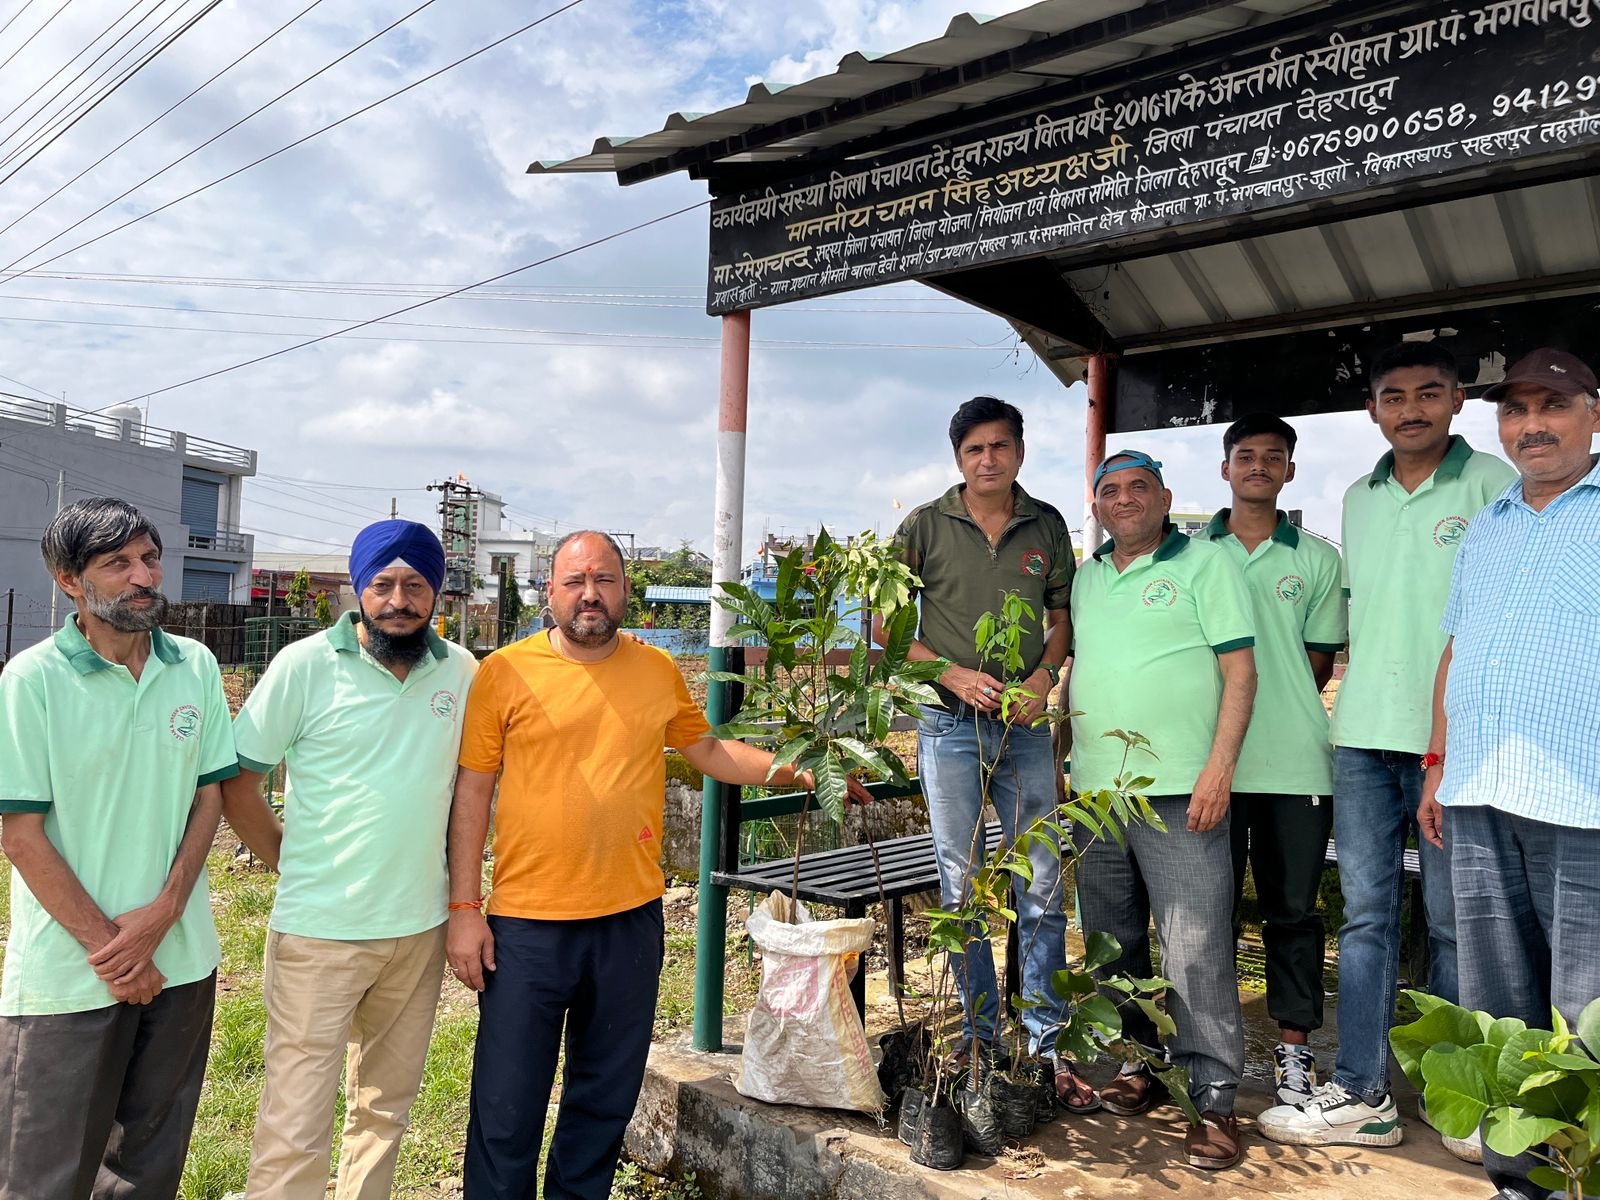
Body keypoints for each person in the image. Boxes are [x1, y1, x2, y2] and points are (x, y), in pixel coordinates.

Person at [446, 530, 868, 1200]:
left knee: (602, 1101)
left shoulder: (655, 670)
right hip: (528, 926)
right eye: (575, 580)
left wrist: (806, 772)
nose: (590, 593)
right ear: (550, 592)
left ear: (624, 589)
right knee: (506, 1106)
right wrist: (464, 909)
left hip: (629, 923)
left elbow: (711, 753)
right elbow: (472, 789)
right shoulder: (506, 672)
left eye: (605, 579)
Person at [1260, 342, 1515, 1153]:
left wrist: (1453, 746)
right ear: (1373, 409)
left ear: (1458, 403)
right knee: (1366, 917)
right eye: (1394, 395)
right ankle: (1364, 1091)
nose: (1411, 408)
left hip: (1458, 743)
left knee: (1453, 924)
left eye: (1429, 393)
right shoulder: (1356, 498)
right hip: (1363, 736)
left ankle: (1457, 1095)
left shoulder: (1495, 487)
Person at [222, 520, 477, 1200]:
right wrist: (287, 859)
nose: (399, 600)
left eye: (415, 585)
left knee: (385, 1111)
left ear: (436, 594)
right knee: (295, 1119)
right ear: (358, 589)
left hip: (418, 929)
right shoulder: (304, 666)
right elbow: (236, 779)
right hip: (319, 931)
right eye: (383, 584)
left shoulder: (461, 671)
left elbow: (473, 791)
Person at [0, 498, 236, 1200]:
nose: (145, 576)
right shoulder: (31, 681)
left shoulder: (192, 666)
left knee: (146, 1172)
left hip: (183, 962)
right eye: (119, 563)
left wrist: (164, 914)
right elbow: (19, 833)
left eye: (150, 559)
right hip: (68, 976)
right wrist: (114, 951)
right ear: (69, 580)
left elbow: (210, 795)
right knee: (44, 1176)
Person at [1418, 348, 1600, 1200]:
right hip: (1479, 794)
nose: (1532, 425)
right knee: (1498, 1004)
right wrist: (1436, 764)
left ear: (1593, 414)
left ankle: (1581, 1175)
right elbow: (1458, 649)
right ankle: (1515, 1181)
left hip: (1584, 801)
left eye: (1553, 406)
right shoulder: (1489, 523)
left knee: (1586, 1011)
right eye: (1516, 409)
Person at [880, 395, 1089, 1109]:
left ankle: (1047, 1041)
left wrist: (1041, 676)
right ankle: (978, 1036)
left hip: (1026, 728)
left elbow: (1063, 620)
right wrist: (949, 672)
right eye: (975, 450)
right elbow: (888, 624)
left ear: (1020, 452)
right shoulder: (923, 526)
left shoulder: (1048, 525)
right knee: (961, 884)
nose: (989, 459)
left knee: (1039, 882)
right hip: (947, 725)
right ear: (959, 458)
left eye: (1001, 446)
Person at [1068, 450, 1257, 1170]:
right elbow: (1084, 669)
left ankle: (1212, 1098)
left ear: (1165, 496)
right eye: (1109, 491)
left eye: (1137, 487)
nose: (1124, 500)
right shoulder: (1087, 579)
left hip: (1184, 791)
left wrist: (1219, 770)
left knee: (1195, 946)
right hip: (1096, 795)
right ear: (1096, 506)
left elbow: (1241, 673)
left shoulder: (1209, 563)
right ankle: (1135, 1064)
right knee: (1112, 940)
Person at [1192, 414, 1346, 1105]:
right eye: (1245, 455)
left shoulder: (1317, 558)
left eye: (1272, 457)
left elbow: (1315, 663)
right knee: (1206, 919)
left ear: (1289, 471)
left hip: (1292, 765)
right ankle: (1208, 1052)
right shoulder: (1189, 553)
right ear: (1224, 469)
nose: (1258, 466)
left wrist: (1269, 705)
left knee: (1292, 915)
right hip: (1204, 770)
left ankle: (1292, 1054)